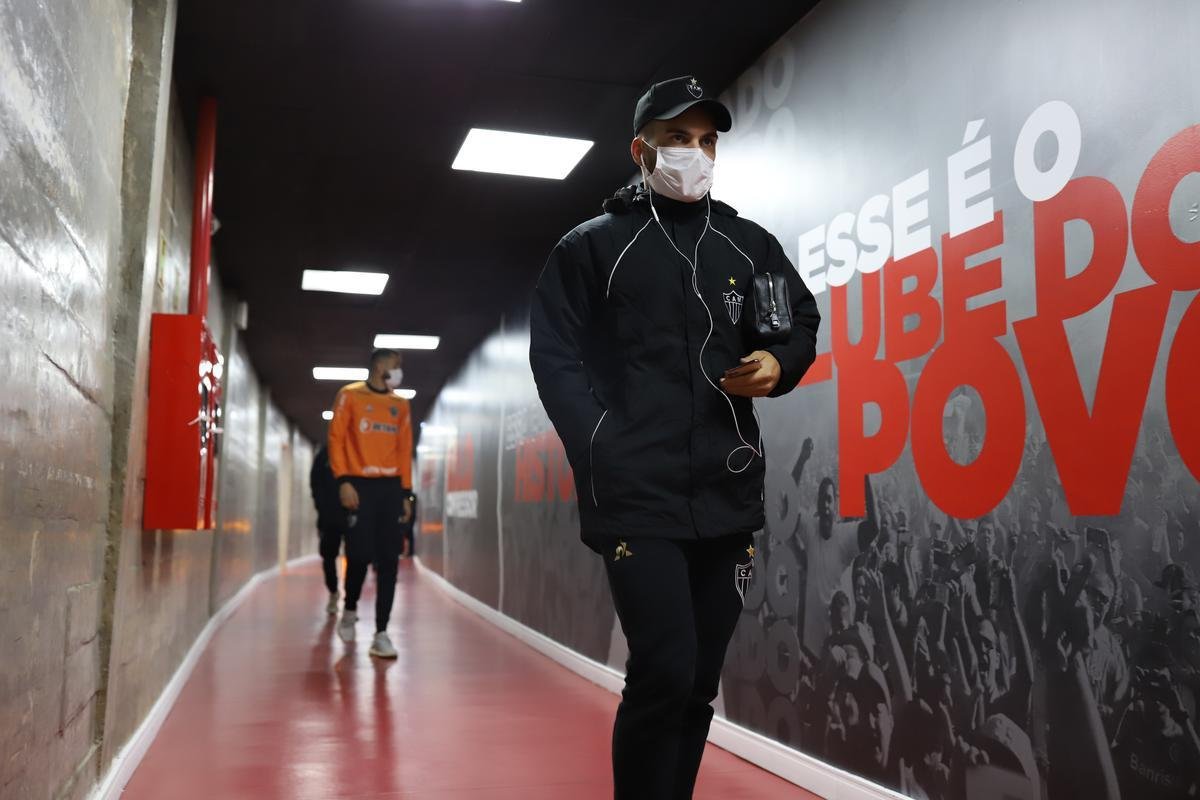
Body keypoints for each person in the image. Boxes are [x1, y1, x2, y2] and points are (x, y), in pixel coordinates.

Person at [529, 74, 820, 799]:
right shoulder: (592, 248)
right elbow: (555, 356)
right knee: (661, 670)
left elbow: (795, 324)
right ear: (641, 150)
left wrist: (779, 362)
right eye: (677, 139)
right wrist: (598, 443)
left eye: (706, 140)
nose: (695, 153)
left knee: (696, 683)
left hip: (727, 494)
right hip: (637, 497)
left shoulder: (750, 245)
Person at [327, 348, 415, 659]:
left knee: (389, 561)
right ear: (379, 366)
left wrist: (406, 493)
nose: (399, 370)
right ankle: (349, 609)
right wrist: (343, 481)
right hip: (358, 485)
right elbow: (335, 439)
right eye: (395, 365)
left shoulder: (400, 405)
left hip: (390, 488)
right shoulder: (349, 396)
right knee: (360, 555)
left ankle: (381, 633)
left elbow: (405, 451)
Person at [309, 443, 348, 614]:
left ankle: (351, 601)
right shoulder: (325, 454)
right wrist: (321, 507)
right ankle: (333, 591)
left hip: (351, 514)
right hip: (328, 516)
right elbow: (315, 483)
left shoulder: (355, 449)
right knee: (328, 556)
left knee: (357, 557)